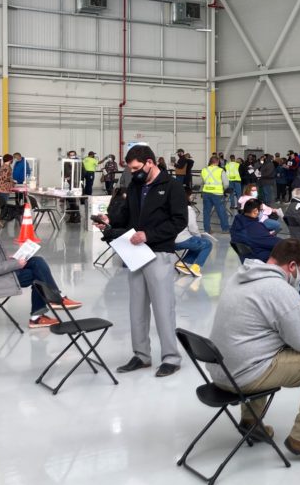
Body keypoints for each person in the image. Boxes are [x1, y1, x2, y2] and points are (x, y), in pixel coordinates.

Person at [209, 239, 300, 462]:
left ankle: (251, 421)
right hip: (243, 376)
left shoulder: (242, 275)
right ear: (291, 266)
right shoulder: (280, 290)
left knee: (263, 348)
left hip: (221, 370)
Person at [96, 144, 187, 377]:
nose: (134, 172)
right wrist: (109, 220)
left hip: (158, 253)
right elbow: (126, 215)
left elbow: (179, 221)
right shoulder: (136, 185)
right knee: (136, 307)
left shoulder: (172, 186)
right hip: (135, 254)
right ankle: (141, 355)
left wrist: (149, 235)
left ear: (150, 162)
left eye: (137, 168)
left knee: (163, 307)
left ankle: (171, 357)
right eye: (131, 169)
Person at [0, 197, 82, 328]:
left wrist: (10, 258)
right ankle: (46, 308)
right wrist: (16, 263)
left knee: (37, 261)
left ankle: (52, 299)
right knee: (38, 275)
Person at [174, 198, 212, 277]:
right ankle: (196, 267)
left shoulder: (170, 208)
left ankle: (183, 264)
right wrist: (199, 237)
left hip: (169, 241)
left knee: (196, 243)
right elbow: (193, 228)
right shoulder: (188, 209)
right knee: (207, 244)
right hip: (181, 240)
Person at [200, 155, 231, 233]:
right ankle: (225, 229)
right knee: (221, 212)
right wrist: (223, 189)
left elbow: (203, 182)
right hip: (217, 194)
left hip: (206, 193)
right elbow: (226, 184)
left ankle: (207, 229)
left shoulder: (204, 170)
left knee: (206, 212)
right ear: (217, 162)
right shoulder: (220, 170)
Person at [0, 154, 15, 228]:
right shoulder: (6, 167)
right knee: (3, 206)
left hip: (1, 188)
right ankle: (1, 221)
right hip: (4, 189)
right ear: (10, 159)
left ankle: (0, 221)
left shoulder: (3, 166)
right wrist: (12, 182)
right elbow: (5, 178)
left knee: (2, 205)